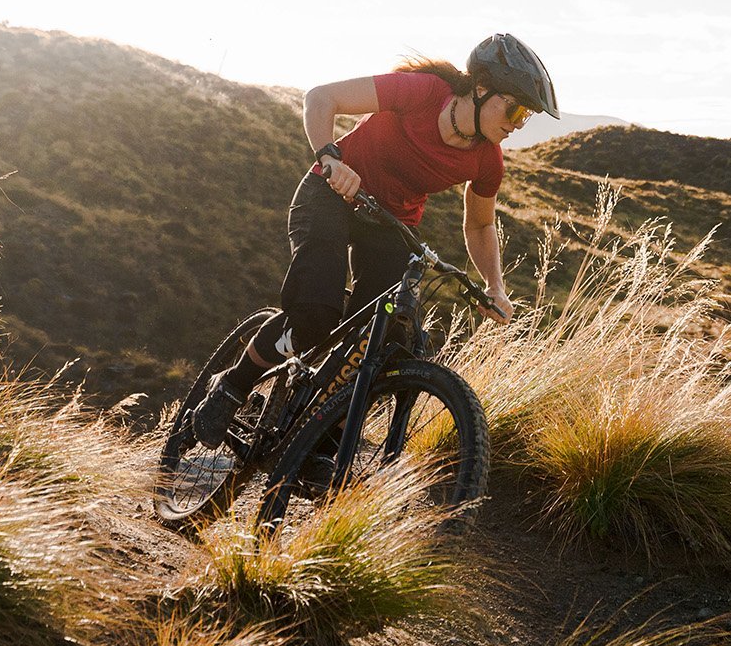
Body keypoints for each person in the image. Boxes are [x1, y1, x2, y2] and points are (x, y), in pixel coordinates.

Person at [190, 32, 558, 447]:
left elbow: (479, 225)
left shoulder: (486, 160)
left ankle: (323, 438)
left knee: (378, 341)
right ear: (480, 88)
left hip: (389, 223)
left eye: (526, 116)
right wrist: (329, 158)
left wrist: (495, 285)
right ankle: (233, 386)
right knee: (315, 315)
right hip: (331, 194)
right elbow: (321, 97)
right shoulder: (421, 93)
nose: (517, 123)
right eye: (515, 108)